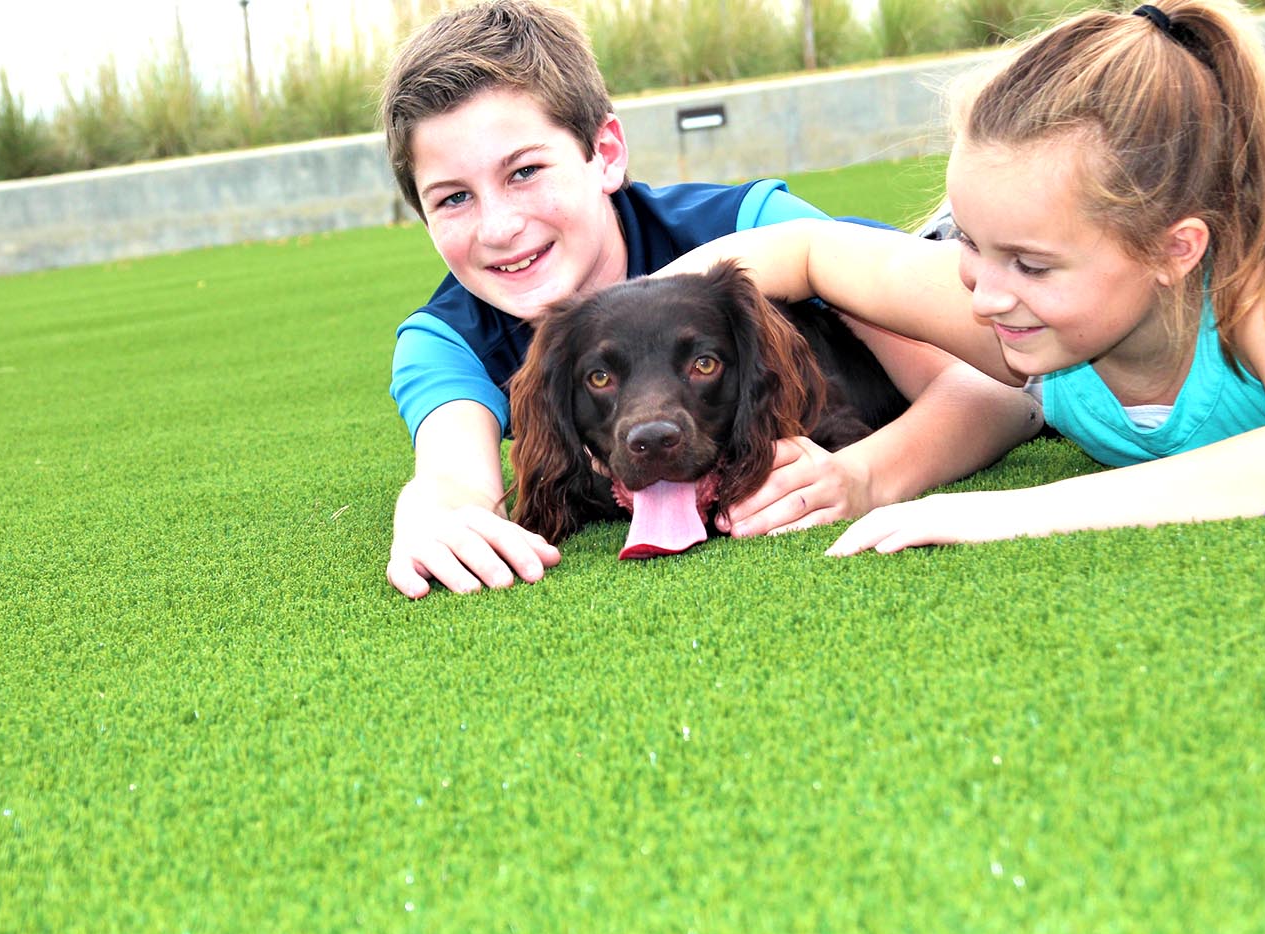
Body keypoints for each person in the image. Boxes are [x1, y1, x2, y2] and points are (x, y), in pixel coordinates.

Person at [380, 0, 1041, 598]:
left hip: (955, 268)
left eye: (524, 171)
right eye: (454, 198)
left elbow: (1002, 396)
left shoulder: (754, 225)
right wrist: (429, 518)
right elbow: (456, 478)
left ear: (605, 153)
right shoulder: (447, 338)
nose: (498, 228)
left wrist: (867, 475)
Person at [662, 0, 1265, 555]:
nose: (985, 294)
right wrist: (585, 344)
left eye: (1032, 264)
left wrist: (1011, 512)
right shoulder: (1012, 306)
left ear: (1173, 252)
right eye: (970, 242)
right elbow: (806, 249)